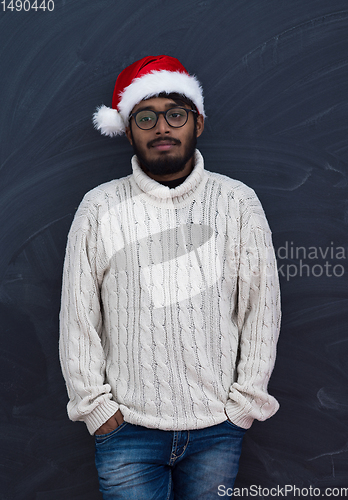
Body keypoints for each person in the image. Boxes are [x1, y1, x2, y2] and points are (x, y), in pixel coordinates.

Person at [59, 55, 281, 500]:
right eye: (146, 117)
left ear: (197, 122)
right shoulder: (100, 208)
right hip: (127, 431)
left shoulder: (237, 203)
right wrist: (94, 407)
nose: (162, 127)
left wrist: (244, 404)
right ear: (128, 128)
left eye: (175, 114)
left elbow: (261, 307)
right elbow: (78, 314)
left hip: (217, 429)